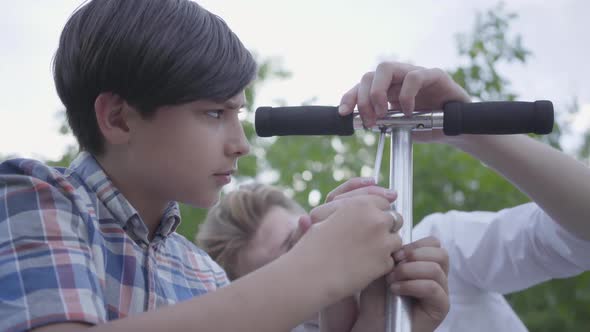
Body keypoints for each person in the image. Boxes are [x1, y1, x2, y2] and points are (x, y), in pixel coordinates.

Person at [0, 1, 448, 332]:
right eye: (215, 114)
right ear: (118, 118)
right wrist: (316, 270)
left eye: (238, 113)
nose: (241, 145)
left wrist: (373, 319)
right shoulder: (32, 198)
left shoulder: (201, 273)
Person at [199, 61, 590, 332]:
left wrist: (469, 129)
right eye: (283, 266)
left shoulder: (437, 245)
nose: (309, 250)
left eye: (301, 233)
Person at [197, 182, 450, 332]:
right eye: (280, 273)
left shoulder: (436, 240)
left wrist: (464, 131)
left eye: (300, 237)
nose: (310, 258)